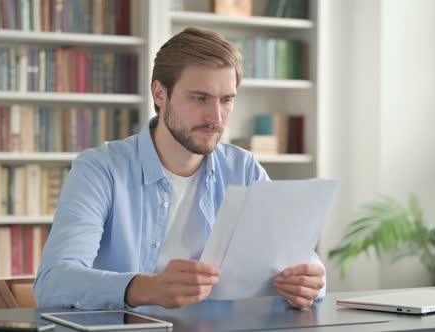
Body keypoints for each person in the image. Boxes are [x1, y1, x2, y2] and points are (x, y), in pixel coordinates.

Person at [33, 27, 326, 310]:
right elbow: (53, 281)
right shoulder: (100, 169)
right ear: (160, 94)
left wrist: (310, 281)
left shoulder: (243, 168)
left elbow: (292, 258)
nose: (216, 118)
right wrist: (145, 288)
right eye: (200, 98)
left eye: (226, 100)